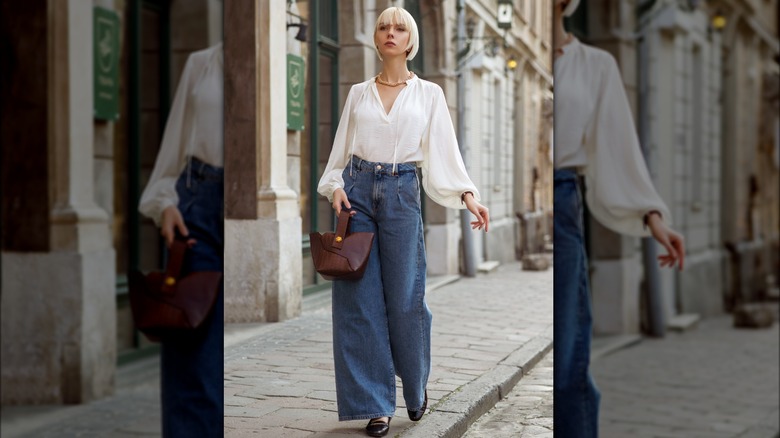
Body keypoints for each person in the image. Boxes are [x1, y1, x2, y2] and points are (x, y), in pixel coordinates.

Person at [317, 7, 489, 437]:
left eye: (399, 28)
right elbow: (339, 155)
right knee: (360, 304)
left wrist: (468, 196)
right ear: (376, 39)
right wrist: (335, 187)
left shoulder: (429, 94)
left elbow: (443, 152)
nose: (390, 33)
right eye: (383, 27)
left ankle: (415, 389)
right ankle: (375, 404)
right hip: (357, 195)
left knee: (407, 300)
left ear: (410, 40)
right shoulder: (358, 93)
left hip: (401, 193)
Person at [552, 0, 686, 436]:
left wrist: (652, 217)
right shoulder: (506, 47)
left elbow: (618, 147)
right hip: (515, 198)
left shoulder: (595, 64)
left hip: (561, 198)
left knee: (566, 361)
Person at [138, 43, 224, 437]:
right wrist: (164, 204)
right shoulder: (202, 63)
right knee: (192, 355)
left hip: (251, 203)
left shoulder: (280, 56)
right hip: (198, 207)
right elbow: (174, 147)